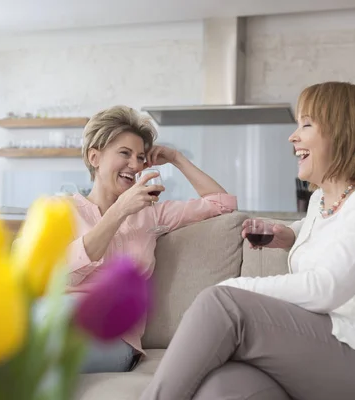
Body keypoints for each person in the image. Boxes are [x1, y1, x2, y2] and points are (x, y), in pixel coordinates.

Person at [139, 81, 355, 400]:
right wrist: (289, 235)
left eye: (306, 124)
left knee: (221, 303)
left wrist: (234, 287)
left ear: (345, 132)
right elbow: (327, 230)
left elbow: (325, 289)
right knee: (223, 386)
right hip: (333, 342)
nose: (293, 136)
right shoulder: (322, 200)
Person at [67, 105, 237, 373]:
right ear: (94, 156)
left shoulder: (153, 215)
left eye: (141, 157)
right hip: (62, 320)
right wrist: (119, 211)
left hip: (115, 339)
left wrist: (176, 158)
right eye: (124, 153)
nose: (135, 165)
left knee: (41, 359)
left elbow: (223, 203)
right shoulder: (60, 212)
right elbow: (55, 278)